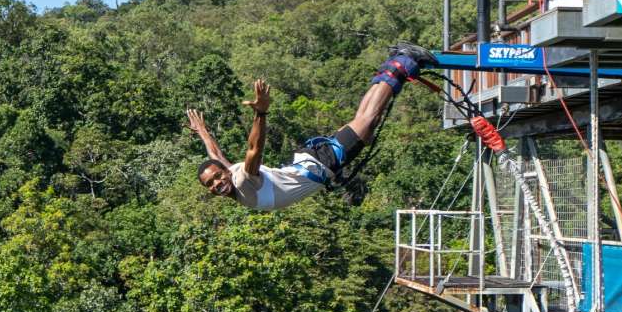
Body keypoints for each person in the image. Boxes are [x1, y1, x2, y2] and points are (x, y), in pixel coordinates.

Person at [187, 43, 437, 211]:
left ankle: (403, 61)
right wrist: (203, 133)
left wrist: (261, 113)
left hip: (320, 164)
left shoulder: (242, 182)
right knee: (363, 125)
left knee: (366, 121)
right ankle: (394, 63)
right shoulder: (233, 178)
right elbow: (216, 158)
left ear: (227, 173)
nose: (216, 183)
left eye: (217, 177)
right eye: (210, 184)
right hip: (310, 160)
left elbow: (254, 150)